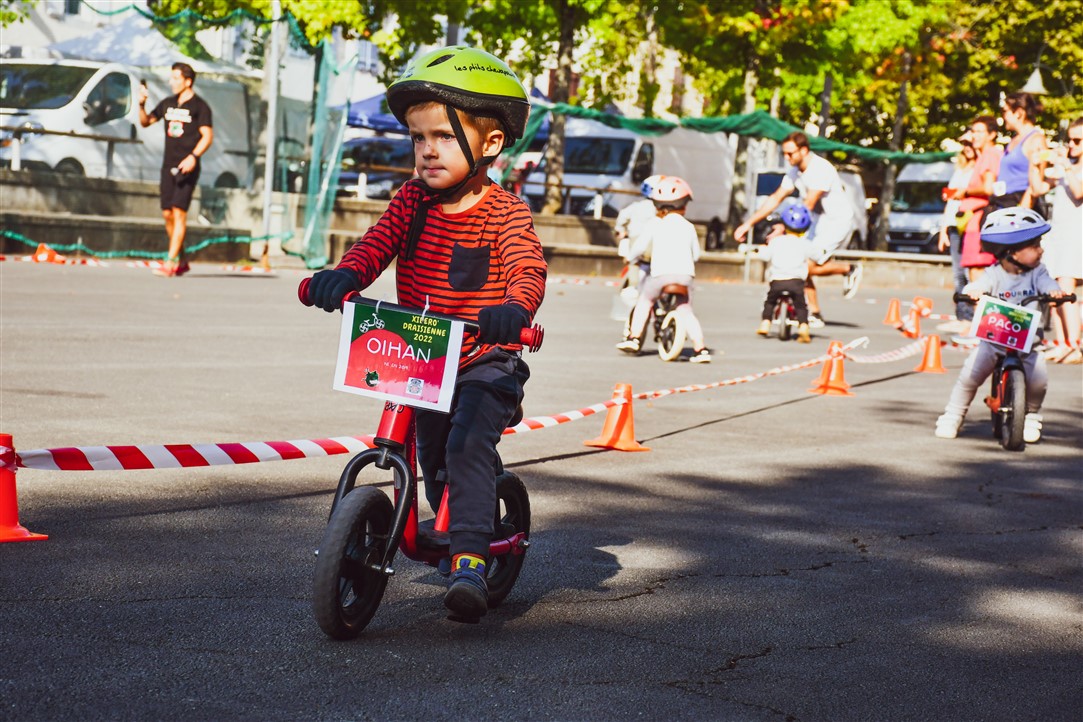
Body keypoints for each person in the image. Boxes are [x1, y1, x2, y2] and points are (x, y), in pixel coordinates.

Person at [304, 46, 547, 621]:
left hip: (485, 358)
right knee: (430, 456)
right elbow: (375, 246)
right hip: (423, 355)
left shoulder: (506, 212)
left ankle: (471, 560)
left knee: (465, 446)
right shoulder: (411, 200)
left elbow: (526, 268)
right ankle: (419, 525)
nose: (427, 149)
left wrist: (514, 308)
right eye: (418, 137)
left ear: (490, 143)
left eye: (442, 135)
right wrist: (344, 275)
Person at [934, 207, 1067, 442]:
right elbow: (979, 284)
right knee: (970, 376)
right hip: (994, 341)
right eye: (1034, 245)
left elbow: (1047, 284)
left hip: (1028, 344)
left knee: (1038, 381)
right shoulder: (994, 273)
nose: (1041, 249)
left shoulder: (1038, 272)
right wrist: (973, 292)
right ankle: (953, 415)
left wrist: (1054, 292)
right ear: (1012, 252)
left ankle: (1031, 416)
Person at [734, 131, 862, 329]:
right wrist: (747, 224)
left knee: (807, 266)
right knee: (799, 262)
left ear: (804, 150)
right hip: (816, 221)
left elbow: (808, 204)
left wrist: (784, 228)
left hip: (835, 222)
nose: (787, 157)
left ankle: (849, 268)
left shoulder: (820, 169)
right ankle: (815, 313)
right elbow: (776, 198)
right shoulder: (795, 171)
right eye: (784, 153)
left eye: (790, 153)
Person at [616, 176, 712, 363]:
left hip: (660, 275)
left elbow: (639, 248)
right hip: (685, 276)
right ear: (684, 205)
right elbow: (696, 255)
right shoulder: (689, 227)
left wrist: (630, 258)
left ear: (657, 205)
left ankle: (634, 338)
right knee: (686, 310)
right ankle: (700, 349)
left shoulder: (654, 224)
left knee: (645, 301)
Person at [138, 62, 214, 278]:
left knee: (179, 212)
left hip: (187, 166)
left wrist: (194, 157)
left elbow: (207, 136)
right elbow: (146, 122)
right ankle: (181, 259)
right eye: (171, 78)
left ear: (187, 81)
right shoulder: (168, 103)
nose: (171, 82)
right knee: (167, 213)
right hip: (167, 164)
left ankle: (170, 262)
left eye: (176, 78)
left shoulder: (200, 106)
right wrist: (141, 105)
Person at [1037, 116, 1083, 364]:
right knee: (1053, 293)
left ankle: (1074, 345)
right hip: (1057, 235)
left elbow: (1078, 192)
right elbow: (1038, 188)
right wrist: (1037, 163)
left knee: (1066, 291)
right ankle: (1062, 342)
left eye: (1077, 141)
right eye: (1069, 140)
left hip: (1076, 235)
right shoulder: (1066, 167)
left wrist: (1066, 165)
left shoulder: (1073, 169)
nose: (1071, 145)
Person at [744, 203, 817, 343]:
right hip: (797, 282)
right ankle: (803, 326)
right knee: (801, 305)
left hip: (777, 281)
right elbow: (817, 255)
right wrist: (823, 253)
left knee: (770, 301)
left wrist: (761, 248)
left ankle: (765, 323)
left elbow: (765, 256)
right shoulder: (805, 243)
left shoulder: (776, 241)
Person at [936, 135, 979, 333]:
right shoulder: (960, 169)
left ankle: (972, 319)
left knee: (971, 275)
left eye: (970, 143)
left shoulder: (980, 169)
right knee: (958, 275)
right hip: (955, 225)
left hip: (971, 225)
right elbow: (950, 201)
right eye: (964, 144)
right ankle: (962, 316)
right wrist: (943, 229)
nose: (967, 147)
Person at [958, 115, 1002, 282]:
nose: (974, 136)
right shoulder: (984, 154)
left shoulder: (990, 154)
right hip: (975, 220)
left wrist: (965, 192)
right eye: (973, 131)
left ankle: (980, 300)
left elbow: (988, 187)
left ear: (992, 134)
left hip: (980, 219)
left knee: (977, 271)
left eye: (979, 132)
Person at [992, 92, 1050, 215]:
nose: (1003, 116)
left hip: (1019, 207)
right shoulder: (1014, 139)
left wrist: (1020, 214)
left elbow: (1035, 184)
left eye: (1005, 111)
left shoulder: (1036, 140)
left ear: (1019, 113)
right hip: (1003, 205)